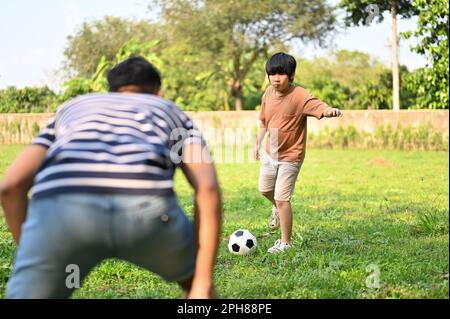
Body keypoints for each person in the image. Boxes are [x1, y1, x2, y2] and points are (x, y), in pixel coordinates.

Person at [0, 56, 222, 298]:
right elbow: (207, 186)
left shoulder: (73, 107)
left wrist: (37, 250)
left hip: (62, 215)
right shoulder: (170, 110)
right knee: (195, 285)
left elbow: (11, 186)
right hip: (147, 214)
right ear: (158, 93)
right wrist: (202, 281)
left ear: (111, 91)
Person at [253, 52, 342, 254]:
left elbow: (319, 105)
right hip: (270, 152)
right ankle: (276, 208)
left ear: (291, 75)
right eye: (272, 74)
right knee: (265, 190)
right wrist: (257, 144)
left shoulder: (300, 95)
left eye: (281, 74)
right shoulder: (267, 93)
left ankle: (285, 243)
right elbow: (263, 122)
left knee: (283, 198)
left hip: (291, 157)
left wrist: (329, 111)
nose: (276, 79)